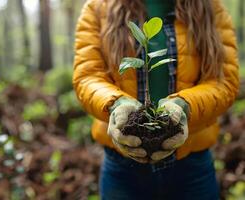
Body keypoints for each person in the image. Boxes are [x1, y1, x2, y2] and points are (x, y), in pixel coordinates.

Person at [72, 0, 239, 199]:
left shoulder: (210, 7)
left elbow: (223, 81)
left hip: (192, 165)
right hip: (122, 167)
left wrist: (185, 106)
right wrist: (116, 103)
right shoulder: (99, 7)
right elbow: (87, 76)